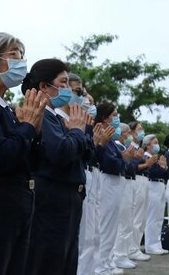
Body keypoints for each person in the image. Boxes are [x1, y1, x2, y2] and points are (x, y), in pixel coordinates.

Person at [0, 33, 46, 275]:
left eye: (22, 56)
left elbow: (30, 163)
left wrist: (34, 133)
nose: (21, 62)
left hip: (18, 201)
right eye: (14, 55)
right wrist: (26, 127)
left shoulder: (7, 108)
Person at [23, 59, 93, 275]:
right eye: (62, 83)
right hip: (52, 198)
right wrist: (77, 132)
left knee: (66, 261)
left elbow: (86, 153)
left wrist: (78, 133)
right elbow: (61, 152)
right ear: (44, 87)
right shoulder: (43, 114)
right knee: (49, 261)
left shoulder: (57, 117)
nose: (66, 89)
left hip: (67, 198)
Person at [94, 102, 134, 275]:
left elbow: (116, 161)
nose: (117, 118)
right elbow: (110, 162)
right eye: (114, 115)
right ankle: (100, 264)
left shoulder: (110, 139)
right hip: (107, 181)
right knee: (105, 224)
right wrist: (123, 159)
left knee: (112, 225)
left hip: (115, 181)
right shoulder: (101, 135)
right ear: (104, 118)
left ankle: (107, 261)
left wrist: (122, 159)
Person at [76, 92, 103, 275]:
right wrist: (95, 143)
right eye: (84, 97)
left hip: (92, 174)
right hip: (82, 173)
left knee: (92, 231)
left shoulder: (91, 126)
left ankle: (90, 269)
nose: (89, 104)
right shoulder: (74, 123)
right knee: (82, 232)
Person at [112, 124, 145, 271]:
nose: (129, 135)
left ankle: (122, 254)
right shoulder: (118, 147)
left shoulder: (123, 148)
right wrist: (135, 159)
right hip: (123, 182)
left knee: (128, 221)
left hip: (129, 182)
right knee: (123, 221)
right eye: (127, 133)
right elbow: (128, 167)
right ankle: (118, 255)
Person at [127, 121, 152, 262]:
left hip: (141, 180)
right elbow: (132, 166)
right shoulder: (130, 146)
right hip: (135, 180)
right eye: (139, 129)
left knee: (141, 217)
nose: (142, 132)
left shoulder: (138, 147)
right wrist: (145, 163)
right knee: (135, 217)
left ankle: (135, 247)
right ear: (131, 132)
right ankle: (132, 249)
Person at [142, 134, 169, 255]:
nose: (157, 145)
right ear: (147, 145)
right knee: (152, 217)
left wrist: (163, 168)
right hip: (152, 186)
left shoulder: (155, 159)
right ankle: (150, 245)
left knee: (159, 217)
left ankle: (157, 243)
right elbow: (152, 173)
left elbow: (163, 174)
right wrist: (163, 168)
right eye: (155, 142)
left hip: (160, 186)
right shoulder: (146, 157)